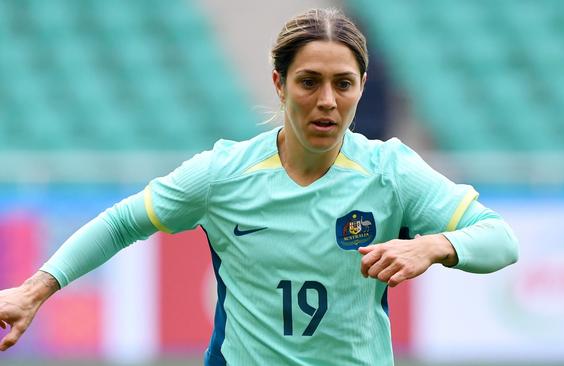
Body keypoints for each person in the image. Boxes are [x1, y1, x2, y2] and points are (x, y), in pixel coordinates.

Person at [0, 8, 518, 366]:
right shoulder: (224, 173)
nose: (327, 101)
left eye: (343, 84)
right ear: (279, 82)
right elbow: (121, 223)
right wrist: (33, 290)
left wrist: (435, 246)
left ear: (361, 87)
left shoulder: (391, 171)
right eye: (308, 81)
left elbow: (499, 239)